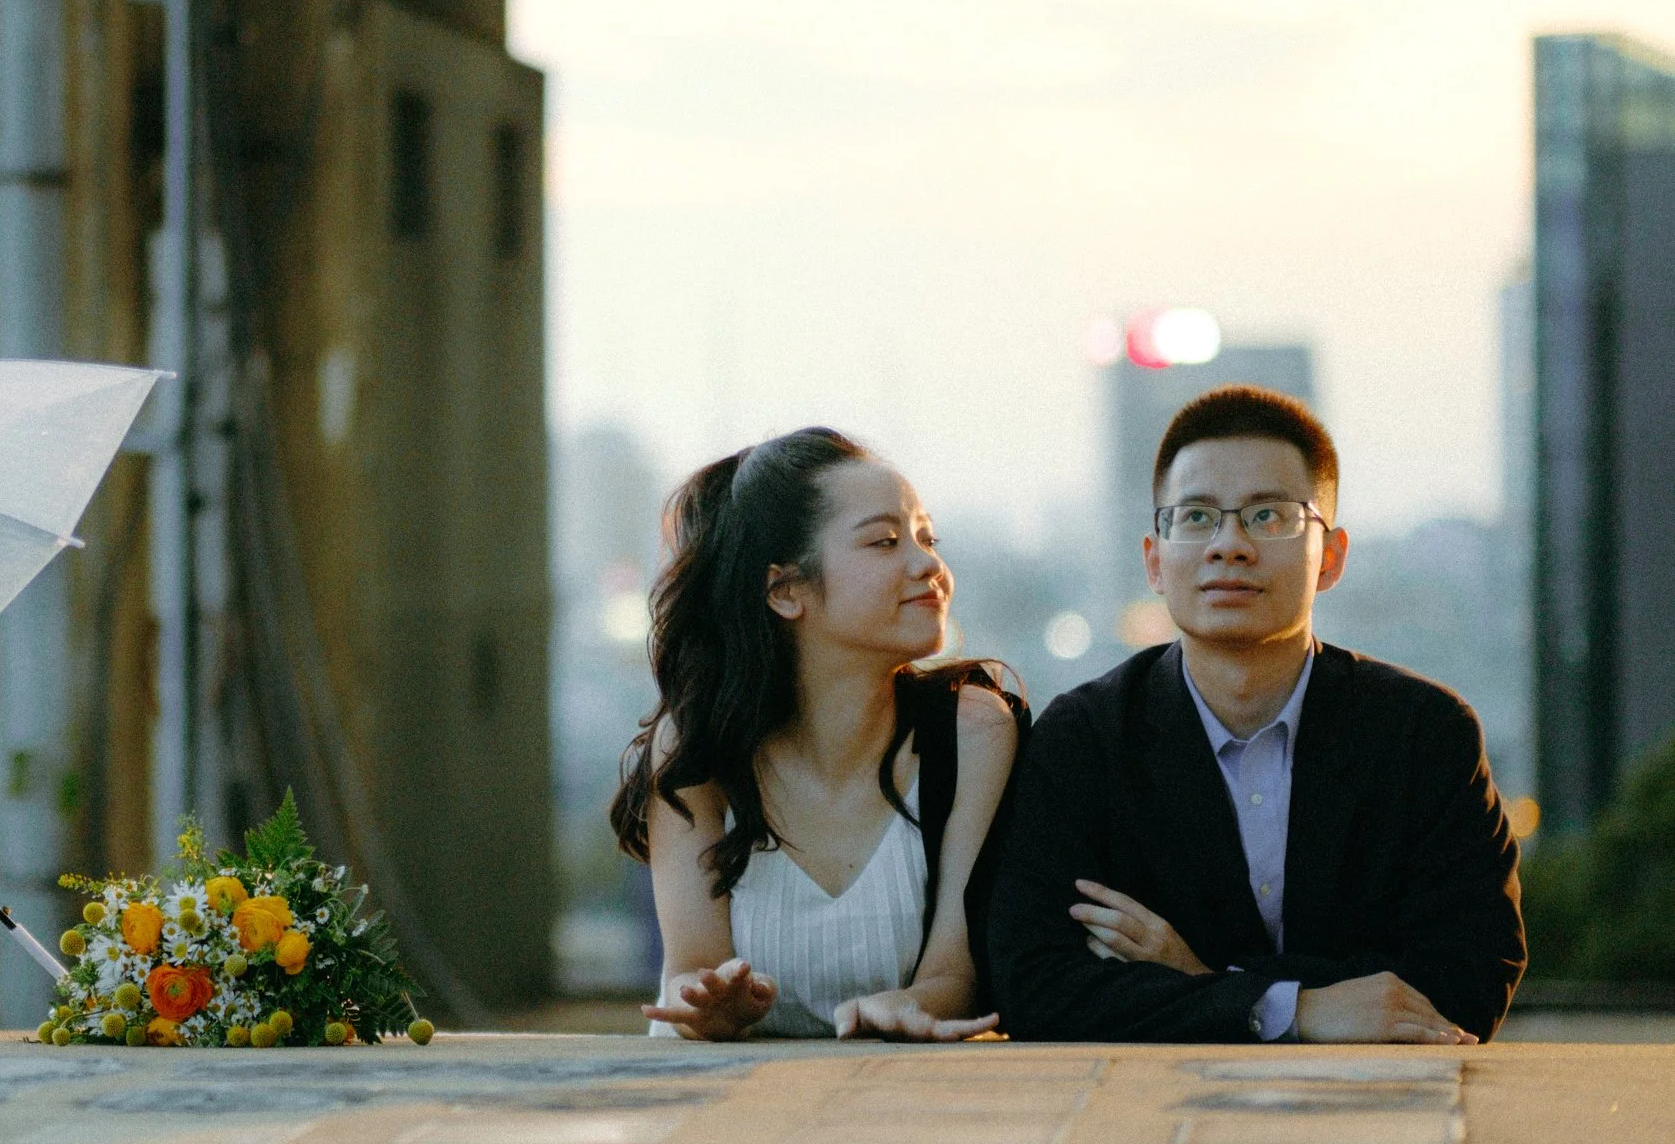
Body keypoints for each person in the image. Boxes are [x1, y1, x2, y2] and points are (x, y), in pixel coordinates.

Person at [987, 386, 1525, 1042]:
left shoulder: (1424, 734)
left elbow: (1470, 980)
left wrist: (1202, 976)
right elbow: (1032, 984)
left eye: (1268, 516)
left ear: (1330, 557)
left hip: (1378, 1105)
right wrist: (1297, 1008)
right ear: (1154, 560)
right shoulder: (1085, 738)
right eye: (1196, 517)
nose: (1229, 545)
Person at [610, 428, 1021, 1040]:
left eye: (927, 539)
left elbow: (954, 977)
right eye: (885, 542)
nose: (929, 565)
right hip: (717, 1087)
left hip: (897, 1090)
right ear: (785, 591)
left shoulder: (974, 731)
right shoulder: (697, 744)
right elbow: (687, 971)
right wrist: (710, 1006)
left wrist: (908, 1007)